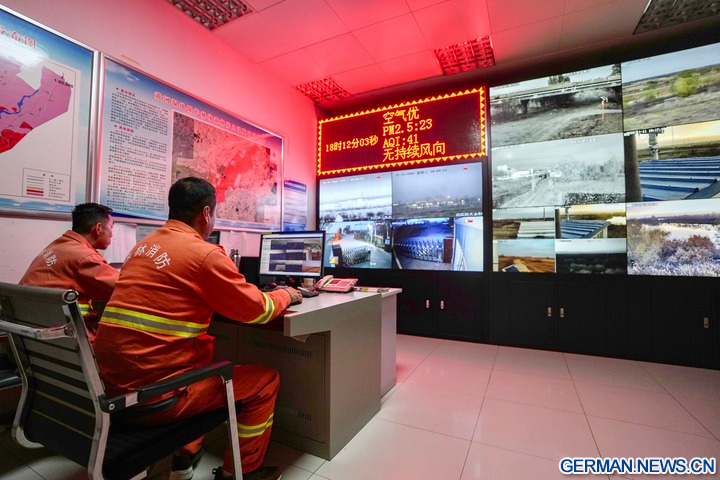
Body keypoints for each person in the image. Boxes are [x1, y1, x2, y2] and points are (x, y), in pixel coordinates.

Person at [93, 177, 301, 480]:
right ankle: (242, 472)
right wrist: (287, 294)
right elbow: (258, 310)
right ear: (206, 213)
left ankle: (185, 458)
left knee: (198, 364)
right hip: (155, 397)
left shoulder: (142, 248)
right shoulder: (204, 253)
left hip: (110, 390)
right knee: (265, 380)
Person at [19, 203, 119, 343]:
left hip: (34, 339)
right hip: (65, 340)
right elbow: (125, 289)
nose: (112, 234)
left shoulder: (59, 246)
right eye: (111, 227)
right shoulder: (84, 257)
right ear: (98, 228)